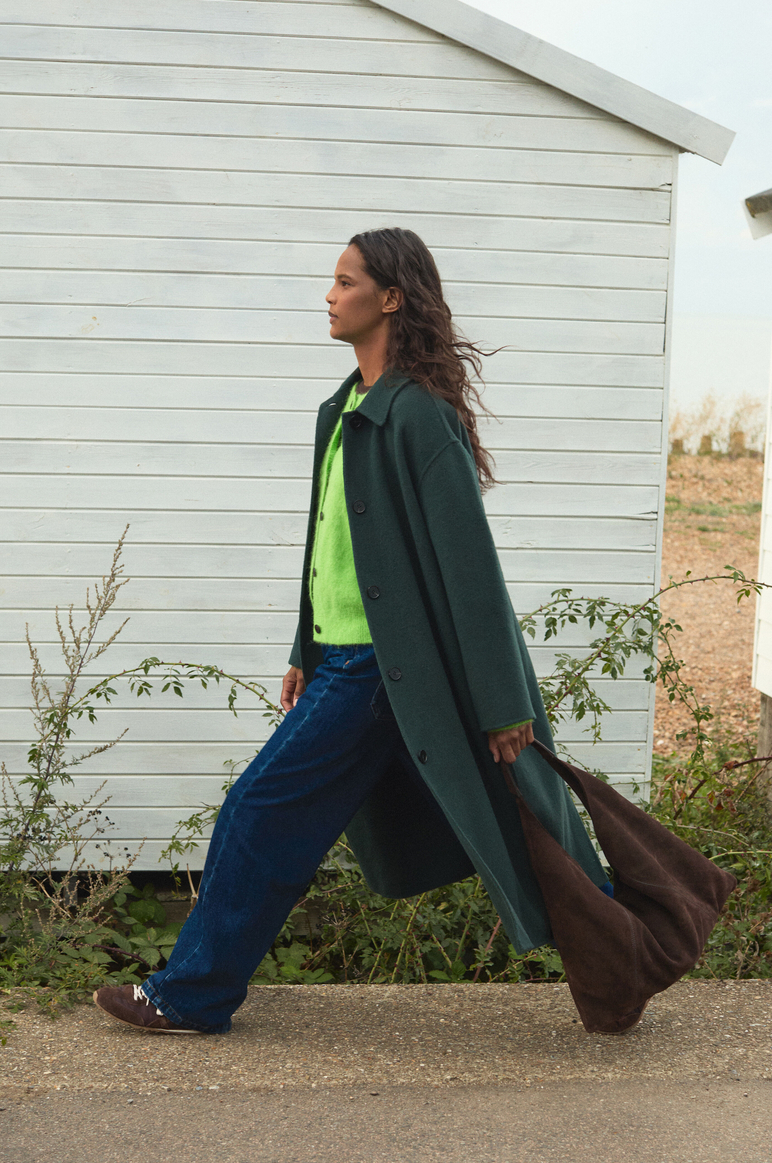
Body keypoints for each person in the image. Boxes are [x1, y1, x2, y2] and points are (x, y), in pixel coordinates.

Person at [93, 228, 608, 1035]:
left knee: (262, 810)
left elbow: (471, 567)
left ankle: (190, 995)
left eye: (345, 282)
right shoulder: (344, 411)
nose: (329, 296)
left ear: (390, 298)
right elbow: (327, 543)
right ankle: (628, 950)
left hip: (379, 670)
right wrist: (306, 647)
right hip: (342, 662)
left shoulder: (417, 417)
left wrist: (503, 701)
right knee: (503, 824)